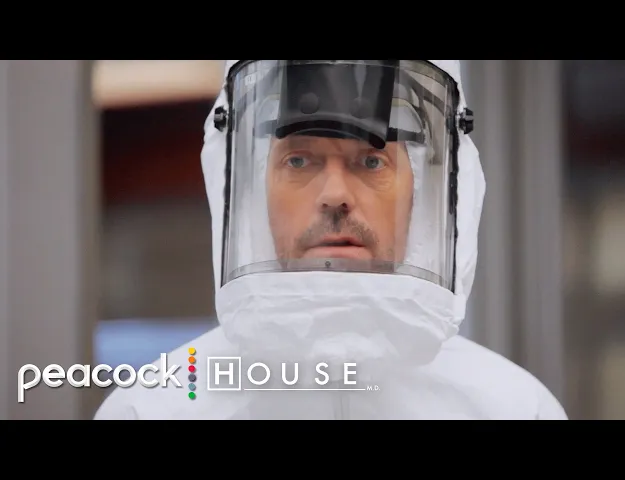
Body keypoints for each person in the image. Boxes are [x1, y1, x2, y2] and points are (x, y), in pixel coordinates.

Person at [94, 60, 567, 420]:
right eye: (299, 160)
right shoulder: (155, 409)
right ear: (253, 192)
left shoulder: (512, 408)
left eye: (372, 161)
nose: (335, 195)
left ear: (421, 195)